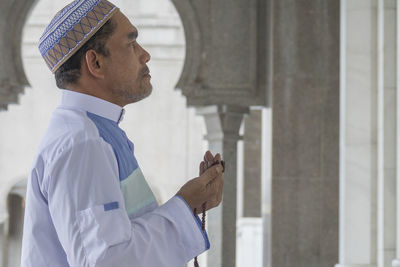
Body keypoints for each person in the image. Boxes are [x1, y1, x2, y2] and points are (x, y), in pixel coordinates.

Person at [20, 0, 224, 266]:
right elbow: (108, 260)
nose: (145, 55)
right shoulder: (82, 144)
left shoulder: (97, 133)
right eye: (131, 44)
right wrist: (184, 206)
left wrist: (192, 206)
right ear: (95, 63)